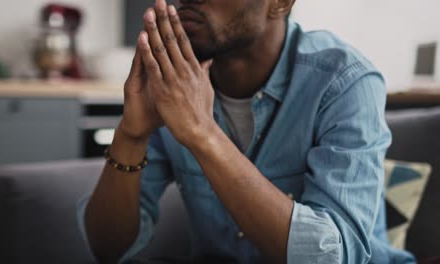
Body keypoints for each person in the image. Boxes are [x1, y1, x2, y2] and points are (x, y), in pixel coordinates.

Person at [77, 0, 416, 263]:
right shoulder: (173, 84)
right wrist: (131, 135)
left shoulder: (344, 82)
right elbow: (108, 250)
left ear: (280, 3)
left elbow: (333, 256)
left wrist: (203, 133)